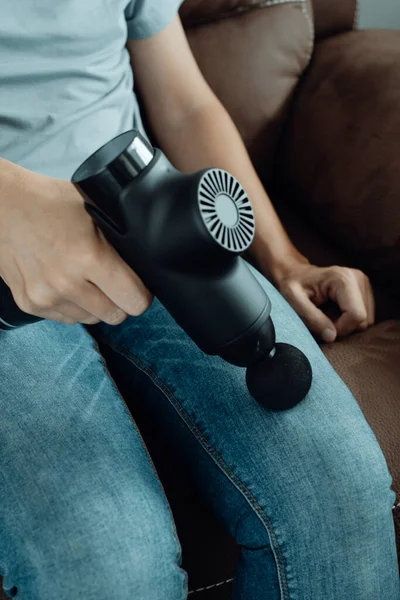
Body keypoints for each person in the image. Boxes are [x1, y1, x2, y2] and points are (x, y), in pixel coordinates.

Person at [0, 1, 398, 599]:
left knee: (338, 492)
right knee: (113, 571)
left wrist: (284, 259)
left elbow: (185, 103)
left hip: (138, 217)